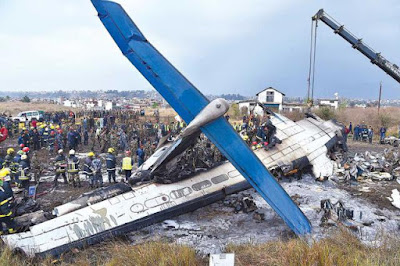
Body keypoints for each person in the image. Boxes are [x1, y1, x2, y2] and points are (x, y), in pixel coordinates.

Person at [0, 168, 16, 234]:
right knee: (8, 219)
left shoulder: (3, 183)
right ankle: (11, 230)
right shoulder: (4, 184)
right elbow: (8, 194)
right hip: (4, 207)